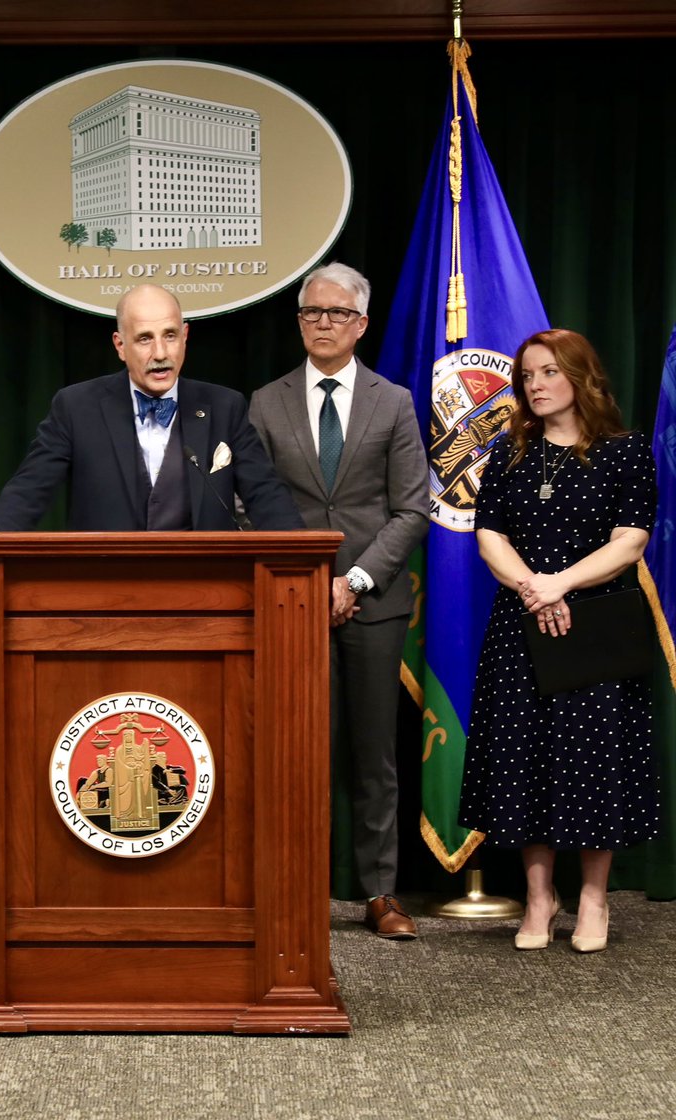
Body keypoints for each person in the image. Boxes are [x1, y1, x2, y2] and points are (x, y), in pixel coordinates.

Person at [459, 328, 658, 953]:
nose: (535, 386)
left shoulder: (625, 453)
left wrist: (559, 586)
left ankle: (593, 900)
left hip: (594, 625)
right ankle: (540, 899)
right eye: (528, 376)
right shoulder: (509, 453)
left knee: (595, 762)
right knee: (524, 761)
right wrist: (532, 588)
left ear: (580, 376)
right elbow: (488, 535)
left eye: (548, 373)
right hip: (522, 626)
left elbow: (631, 540)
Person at [248, 262, 429, 939]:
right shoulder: (265, 403)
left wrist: (351, 582)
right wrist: (303, 582)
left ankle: (380, 893)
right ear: (299, 322)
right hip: (291, 605)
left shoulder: (396, 402)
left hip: (373, 603)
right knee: (296, 750)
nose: (323, 323)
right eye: (311, 313)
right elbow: (247, 507)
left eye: (336, 313)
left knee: (374, 751)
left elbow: (411, 510)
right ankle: (298, 891)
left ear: (361, 324)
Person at [0, 284, 303, 532]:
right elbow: (26, 494)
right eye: (145, 339)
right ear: (120, 346)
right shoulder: (76, 407)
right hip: (104, 598)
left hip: (206, 597)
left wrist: (310, 568)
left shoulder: (224, 406)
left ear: (185, 336)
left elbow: (266, 497)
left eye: (170, 336)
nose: (160, 352)